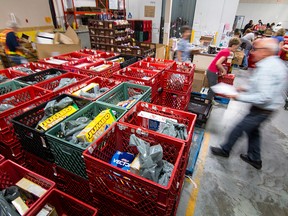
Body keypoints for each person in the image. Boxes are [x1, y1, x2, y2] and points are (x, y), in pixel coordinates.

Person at [210, 38, 288, 170]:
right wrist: (245, 88)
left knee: (239, 127)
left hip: (262, 109)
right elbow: (263, 86)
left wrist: (238, 96)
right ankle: (255, 158)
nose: (252, 52)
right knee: (254, 131)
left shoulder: (267, 68)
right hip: (266, 109)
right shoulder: (276, 63)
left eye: (255, 49)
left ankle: (225, 149)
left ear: (266, 51)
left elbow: (264, 96)